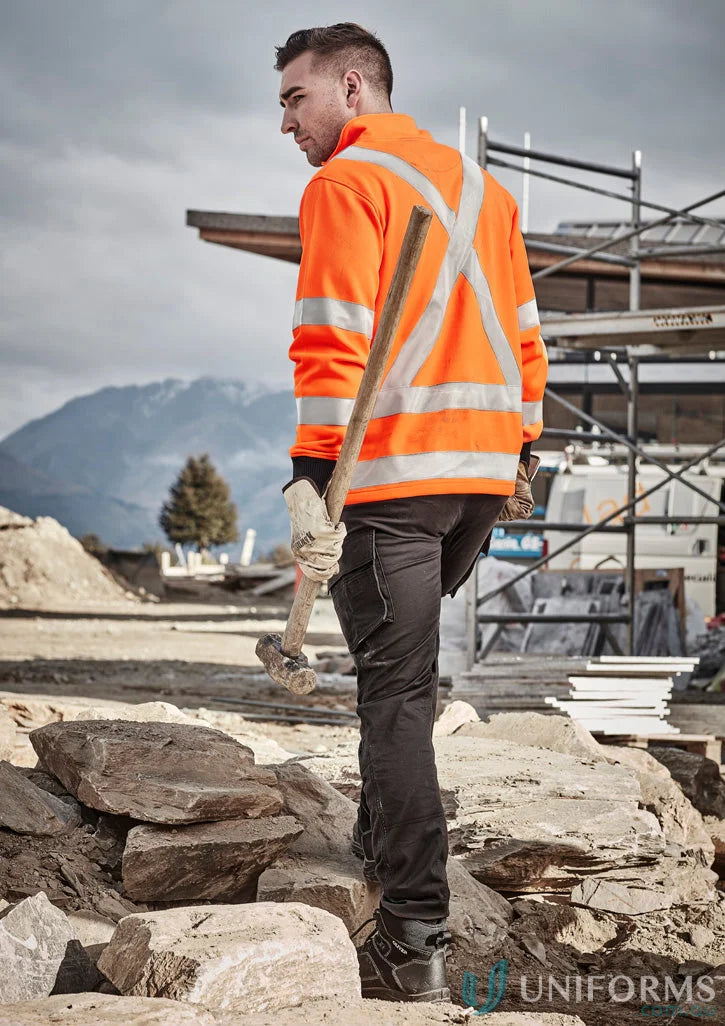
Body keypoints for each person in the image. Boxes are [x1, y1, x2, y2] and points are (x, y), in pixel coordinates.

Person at [274, 22, 547, 1003]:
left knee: (391, 698)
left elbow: (330, 340)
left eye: (294, 100)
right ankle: (391, 833)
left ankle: (409, 939)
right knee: (404, 679)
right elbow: (523, 333)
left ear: (352, 88)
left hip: (390, 483)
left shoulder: (346, 185)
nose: (285, 124)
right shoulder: (484, 191)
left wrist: (311, 476)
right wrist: (520, 451)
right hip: (474, 481)